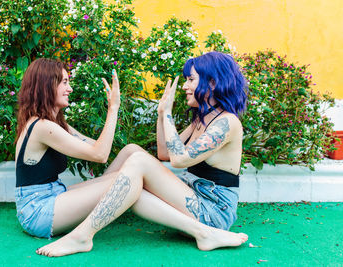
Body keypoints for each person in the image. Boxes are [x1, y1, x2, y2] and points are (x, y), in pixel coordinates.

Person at [34, 52, 249, 257]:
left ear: (212, 82)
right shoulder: (202, 120)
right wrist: (160, 113)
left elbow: (180, 159)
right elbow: (165, 153)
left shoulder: (227, 123)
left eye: (191, 79)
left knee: (138, 162)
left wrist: (167, 115)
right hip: (194, 203)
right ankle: (94, 215)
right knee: (131, 155)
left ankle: (82, 236)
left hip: (213, 213)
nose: (185, 86)